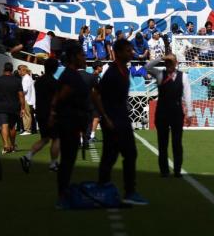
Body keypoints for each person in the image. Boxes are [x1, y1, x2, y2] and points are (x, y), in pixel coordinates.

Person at [93, 38, 147, 206]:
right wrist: (106, 118)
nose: (132, 52)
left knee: (118, 155)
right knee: (117, 155)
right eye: (128, 50)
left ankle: (112, 190)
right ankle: (125, 191)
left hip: (121, 120)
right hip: (114, 121)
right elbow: (96, 95)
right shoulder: (112, 72)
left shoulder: (124, 70)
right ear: (119, 52)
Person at [49, 46, 91, 208]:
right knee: (67, 161)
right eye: (82, 55)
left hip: (71, 122)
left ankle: (63, 194)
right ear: (74, 57)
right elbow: (60, 97)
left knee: (68, 160)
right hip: (69, 123)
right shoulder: (71, 76)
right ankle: (63, 196)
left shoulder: (70, 75)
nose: (84, 58)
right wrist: (54, 113)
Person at [147, 54, 193, 178]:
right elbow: (147, 67)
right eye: (167, 62)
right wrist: (160, 58)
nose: (169, 64)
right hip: (162, 112)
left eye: (171, 62)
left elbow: (187, 94)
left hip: (177, 112)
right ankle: (164, 171)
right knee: (162, 143)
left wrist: (190, 113)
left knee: (177, 143)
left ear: (176, 62)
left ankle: (177, 170)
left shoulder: (184, 76)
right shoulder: (160, 74)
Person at [21, 58, 61, 173]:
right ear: (55, 68)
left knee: (45, 138)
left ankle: (28, 156)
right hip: (50, 114)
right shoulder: (54, 82)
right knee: (56, 138)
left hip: (40, 113)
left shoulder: (39, 81)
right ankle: (53, 164)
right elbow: (55, 100)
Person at [0, 62, 24, 154]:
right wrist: (23, 108)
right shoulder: (17, 81)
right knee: (12, 127)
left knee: (4, 125)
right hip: (14, 107)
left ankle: (5, 145)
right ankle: (12, 146)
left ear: (4, 69)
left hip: (1, 106)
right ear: (12, 70)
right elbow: (21, 96)